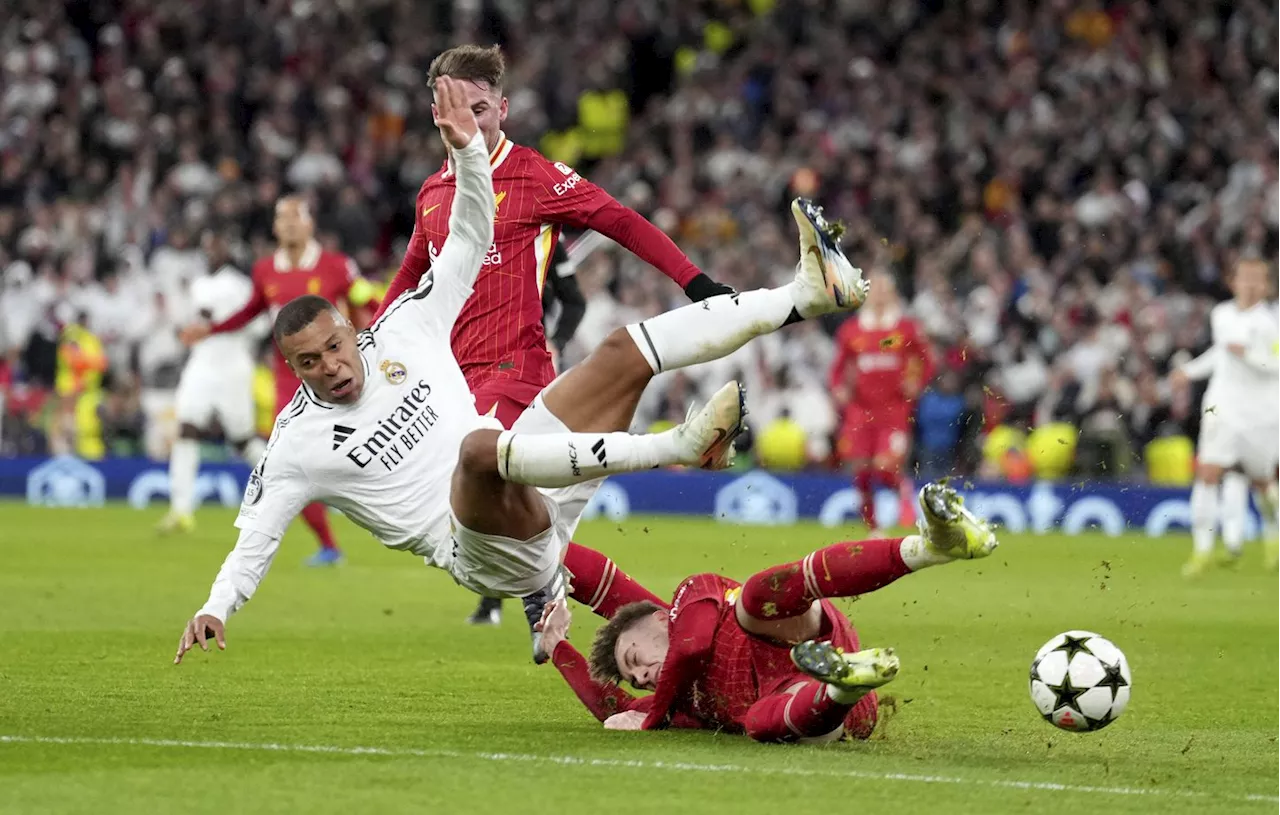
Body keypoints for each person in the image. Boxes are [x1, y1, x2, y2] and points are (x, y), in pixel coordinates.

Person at [173, 75, 868, 667]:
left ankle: (802, 296)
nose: (329, 368)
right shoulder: (296, 440)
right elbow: (257, 535)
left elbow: (472, 235)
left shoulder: (403, 330)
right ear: (290, 368)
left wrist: (469, 153)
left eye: (334, 348)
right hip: (477, 547)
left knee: (624, 351)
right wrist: (215, 606)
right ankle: (678, 450)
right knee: (480, 451)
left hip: (531, 469)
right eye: (308, 363)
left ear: (352, 332)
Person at [382, 44, 733, 628]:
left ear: (503, 108)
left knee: (484, 495)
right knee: (508, 522)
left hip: (514, 370)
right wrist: (374, 342)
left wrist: (694, 281)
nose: (468, 121)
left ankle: (549, 589)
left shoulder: (534, 176)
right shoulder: (432, 193)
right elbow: (410, 275)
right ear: (437, 112)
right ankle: (599, 606)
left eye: (481, 109)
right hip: (451, 382)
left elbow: (619, 219)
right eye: (455, 109)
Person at [538, 482, 997, 742]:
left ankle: (928, 547)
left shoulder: (693, 597)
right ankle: (844, 684)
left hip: (798, 633)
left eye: (635, 660)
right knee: (757, 722)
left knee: (756, 599)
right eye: (635, 678)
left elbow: (692, 645)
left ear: (662, 619)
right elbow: (612, 709)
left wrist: (535, 543)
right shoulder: (675, 701)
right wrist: (556, 645)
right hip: (826, 712)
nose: (639, 678)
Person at [179, 197, 376, 567]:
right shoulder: (265, 270)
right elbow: (250, 311)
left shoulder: (337, 266)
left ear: (309, 224)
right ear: (273, 227)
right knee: (291, 463)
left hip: (341, 376)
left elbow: (366, 301)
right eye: (280, 217)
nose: (286, 224)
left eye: (294, 216)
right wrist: (209, 330)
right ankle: (329, 545)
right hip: (291, 381)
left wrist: (385, 334)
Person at [1169, 257, 1280, 576]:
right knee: (1207, 472)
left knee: (1263, 483)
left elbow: (1275, 364)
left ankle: (1273, 539)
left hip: (1262, 411)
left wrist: (1249, 355)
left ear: (1265, 284)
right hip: (1223, 406)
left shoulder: (1271, 321)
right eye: (1244, 277)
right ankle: (1201, 552)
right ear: (1233, 282)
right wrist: (1188, 372)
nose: (1249, 284)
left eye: (1256, 278)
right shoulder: (1221, 314)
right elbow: (1221, 352)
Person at [159, 231, 268, 534]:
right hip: (201, 364)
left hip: (233, 365)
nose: (211, 251)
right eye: (207, 245)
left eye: (217, 245)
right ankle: (181, 510)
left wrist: (223, 323)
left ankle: (288, 486)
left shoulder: (240, 285)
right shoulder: (198, 285)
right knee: (186, 428)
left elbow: (259, 325)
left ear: (228, 249)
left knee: (242, 440)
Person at [829, 269, 936, 531]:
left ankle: (904, 490)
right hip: (860, 410)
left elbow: (927, 361)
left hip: (894, 409)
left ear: (892, 294)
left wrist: (916, 383)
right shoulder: (851, 330)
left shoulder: (906, 329)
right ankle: (873, 528)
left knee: (885, 468)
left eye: (883, 290)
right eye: (873, 290)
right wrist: (838, 389)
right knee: (862, 472)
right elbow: (837, 369)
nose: (878, 295)